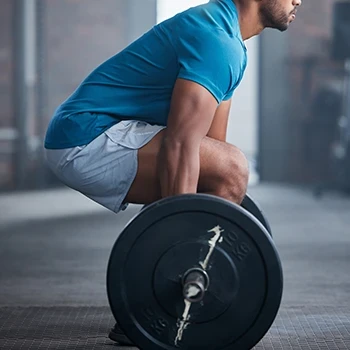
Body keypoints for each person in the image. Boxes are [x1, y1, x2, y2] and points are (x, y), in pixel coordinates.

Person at [44, 0, 302, 344]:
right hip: (84, 137)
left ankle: (145, 298)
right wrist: (180, 258)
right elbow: (181, 147)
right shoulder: (216, 41)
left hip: (100, 133)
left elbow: (212, 149)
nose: (299, 0)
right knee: (232, 168)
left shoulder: (230, 45)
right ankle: (156, 302)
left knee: (225, 167)